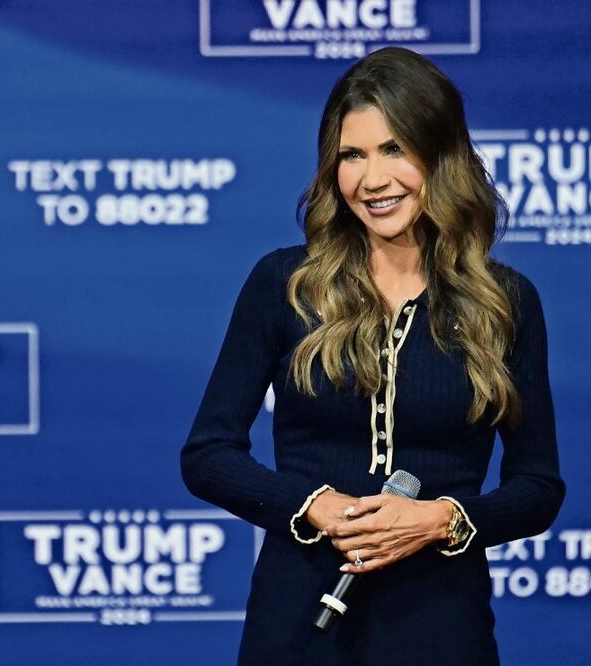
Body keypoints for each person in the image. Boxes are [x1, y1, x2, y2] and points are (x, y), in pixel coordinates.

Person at [181, 47, 564, 665]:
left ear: (440, 156)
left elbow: (538, 487)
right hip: (297, 621)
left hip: (440, 626)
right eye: (351, 156)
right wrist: (315, 507)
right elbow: (207, 455)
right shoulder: (286, 284)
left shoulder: (505, 301)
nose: (372, 179)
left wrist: (442, 520)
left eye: (394, 150)